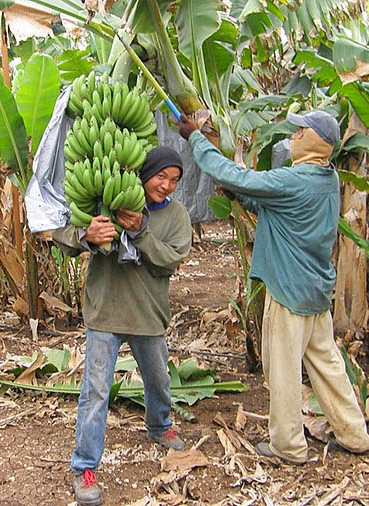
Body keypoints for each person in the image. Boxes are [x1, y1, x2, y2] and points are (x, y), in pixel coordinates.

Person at [179, 110, 369, 464]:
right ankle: (355, 434)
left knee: (282, 372)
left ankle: (288, 446)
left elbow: (231, 172)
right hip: (314, 292)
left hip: (288, 292)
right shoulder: (325, 178)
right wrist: (239, 198)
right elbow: (278, 209)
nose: (293, 137)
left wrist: (196, 139)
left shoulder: (295, 180)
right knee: (328, 366)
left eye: (300, 132)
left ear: (315, 142)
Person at [52, 147, 192, 506]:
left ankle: (159, 427)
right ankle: (84, 467)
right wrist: (86, 235)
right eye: (161, 177)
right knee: (96, 393)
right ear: (144, 174)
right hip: (105, 312)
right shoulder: (103, 202)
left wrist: (142, 232)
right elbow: (58, 233)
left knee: (159, 380)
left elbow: (170, 260)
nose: (167, 186)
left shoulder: (176, 215)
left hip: (149, 314)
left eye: (174, 180)